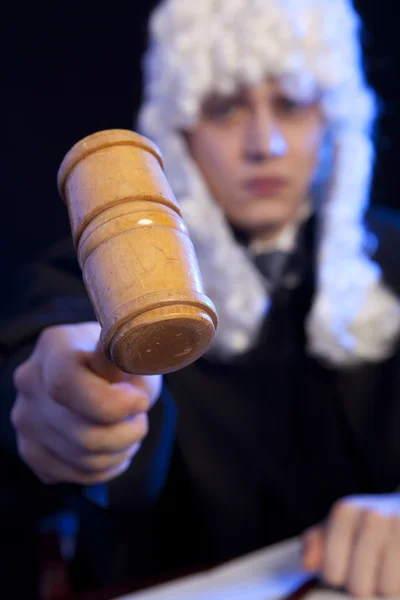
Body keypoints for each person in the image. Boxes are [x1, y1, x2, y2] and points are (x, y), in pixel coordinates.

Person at [2, 0, 400, 597]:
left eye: (291, 104)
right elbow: (49, 343)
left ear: (332, 119)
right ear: (182, 129)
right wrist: (64, 395)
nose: (263, 144)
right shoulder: (84, 276)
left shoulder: (394, 258)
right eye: (224, 108)